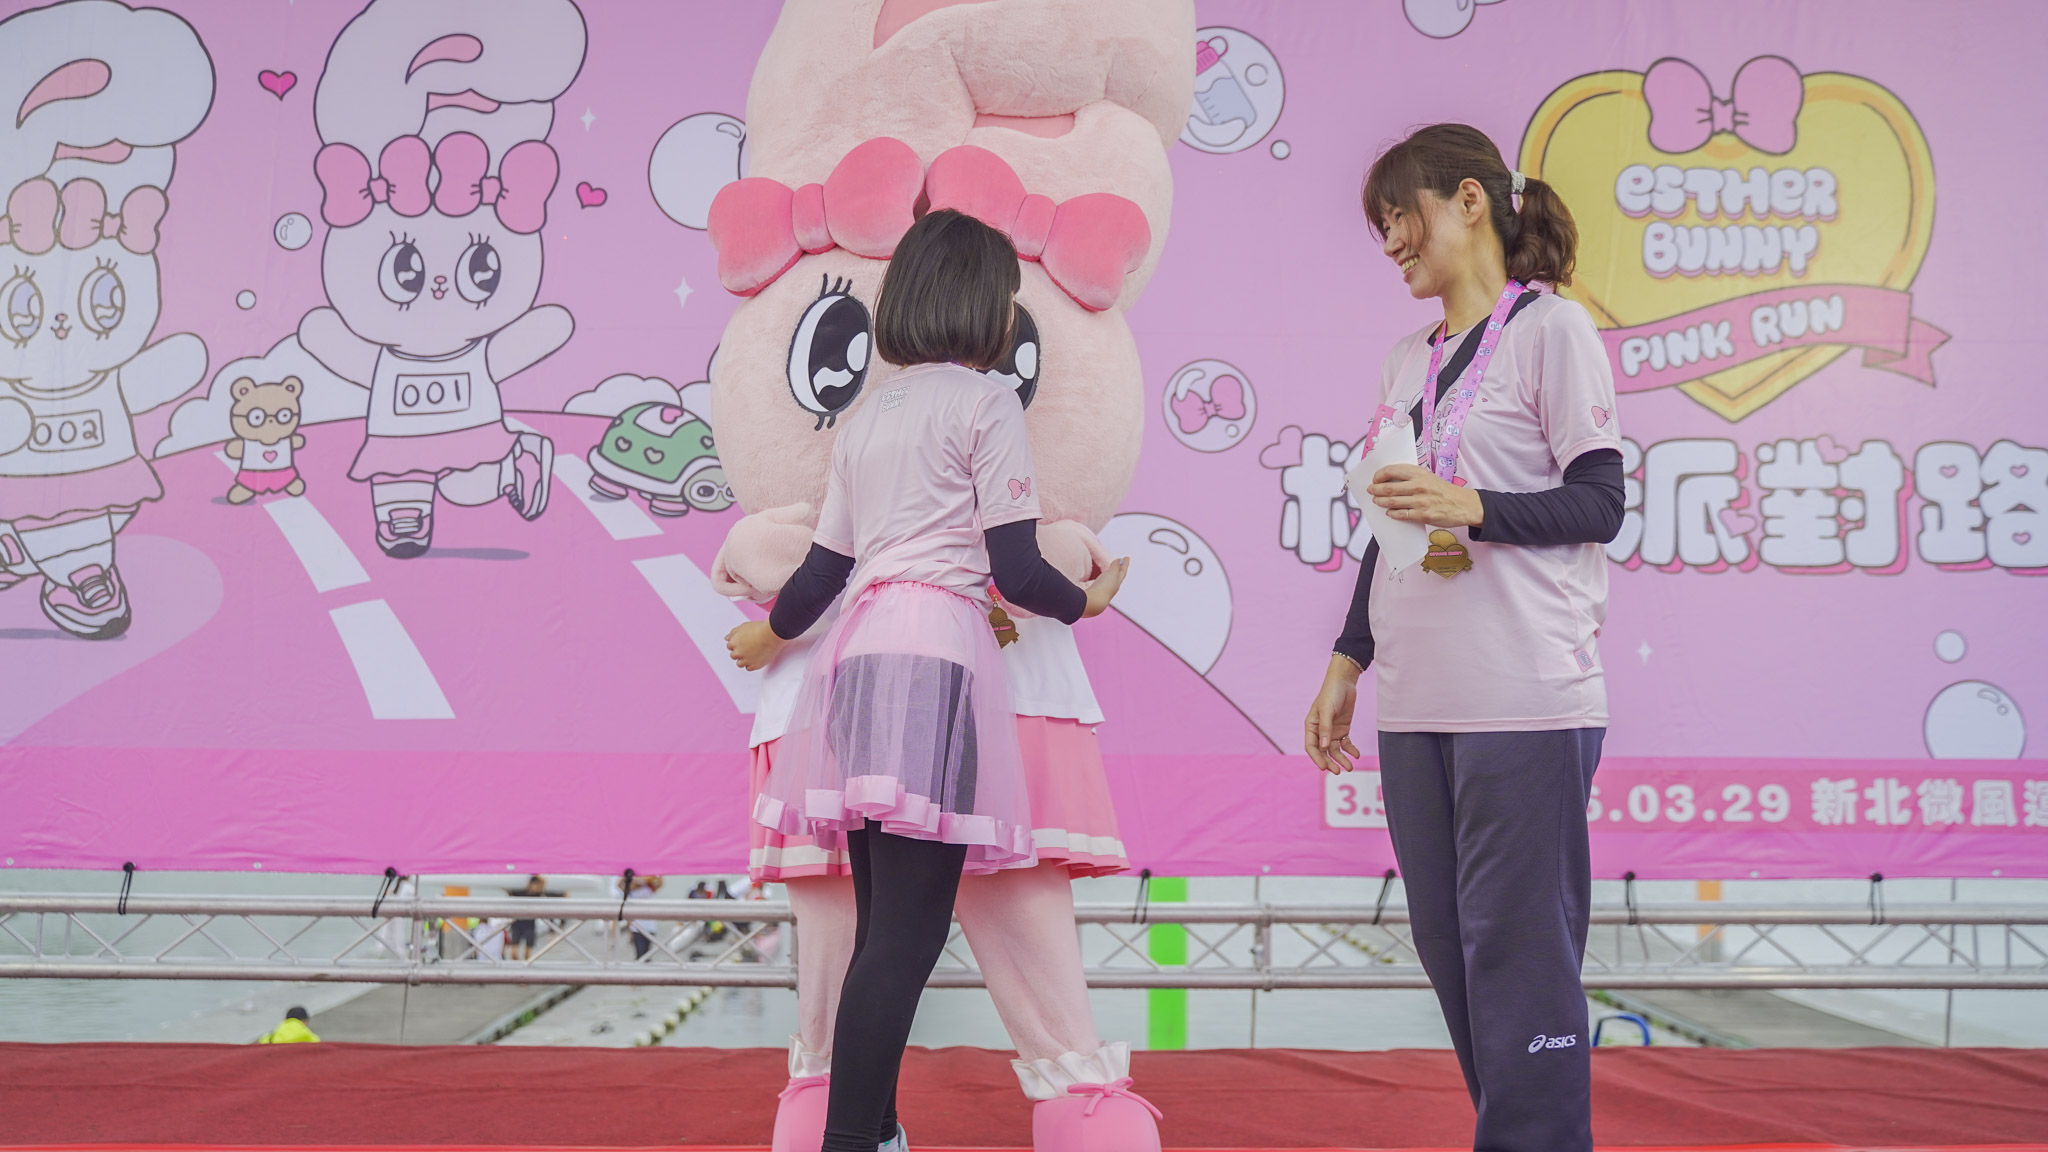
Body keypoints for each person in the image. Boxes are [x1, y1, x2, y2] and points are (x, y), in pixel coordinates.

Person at [726, 208, 1128, 1152]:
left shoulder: (868, 415)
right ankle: (851, 1141)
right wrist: (1087, 601)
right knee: (906, 938)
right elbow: (1018, 571)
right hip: (934, 659)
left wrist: (772, 634)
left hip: (854, 662)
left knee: (880, 931)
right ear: (986, 305)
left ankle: (873, 1130)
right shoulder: (987, 404)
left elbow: (823, 570)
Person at [1302, 124, 1624, 1152]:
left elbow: (1600, 502)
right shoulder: (1409, 359)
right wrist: (1346, 660)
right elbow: (1392, 525)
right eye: (1380, 226)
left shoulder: (1552, 330)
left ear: (1470, 201)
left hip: (1523, 696)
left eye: (1401, 214)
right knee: (1449, 949)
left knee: (1516, 952)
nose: (1390, 240)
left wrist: (1472, 504)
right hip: (1416, 699)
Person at [505, 874, 564, 961]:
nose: (536, 888)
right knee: (513, 953)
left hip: (530, 925)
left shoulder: (538, 894)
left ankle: (524, 968)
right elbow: (508, 890)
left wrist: (534, 874)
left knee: (527, 954)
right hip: (517, 924)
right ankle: (517, 967)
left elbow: (544, 881)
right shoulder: (520, 892)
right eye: (535, 885)